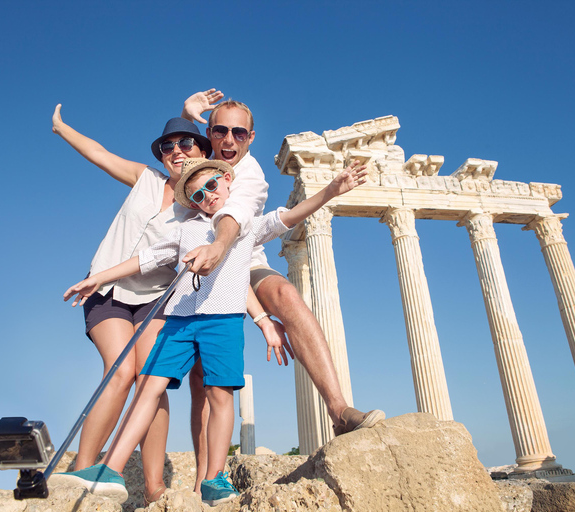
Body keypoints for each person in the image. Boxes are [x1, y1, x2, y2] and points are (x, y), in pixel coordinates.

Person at [53, 156, 369, 506]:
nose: (207, 197)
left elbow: (287, 217)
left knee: (221, 396)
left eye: (211, 187)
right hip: (179, 320)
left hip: (224, 322)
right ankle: (109, 468)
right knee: (149, 388)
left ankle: (214, 477)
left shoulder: (245, 224)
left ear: (227, 180)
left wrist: (330, 191)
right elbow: (143, 260)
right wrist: (98, 277)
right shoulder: (183, 230)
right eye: (198, 195)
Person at [51, 107, 291, 504]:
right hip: (109, 289)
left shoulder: (203, 209)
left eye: (185, 144)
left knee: (152, 379)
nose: (176, 151)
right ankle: (86, 469)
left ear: (202, 151)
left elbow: (229, 269)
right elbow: (99, 154)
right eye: (167, 146)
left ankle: (154, 488)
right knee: (122, 367)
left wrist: (262, 317)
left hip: (155, 300)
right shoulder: (145, 179)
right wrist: (62, 129)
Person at [179, 93, 385, 468]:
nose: (229, 141)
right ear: (210, 133)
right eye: (220, 131)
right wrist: (185, 114)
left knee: (286, 294)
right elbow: (179, 151)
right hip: (190, 262)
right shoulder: (203, 154)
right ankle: (203, 477)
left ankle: (338, 411)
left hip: (240, 253)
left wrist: (221, 246)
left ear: (251, 137)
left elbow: (239, 217)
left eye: (238, 133)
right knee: (200, 379)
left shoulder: (252, 174)